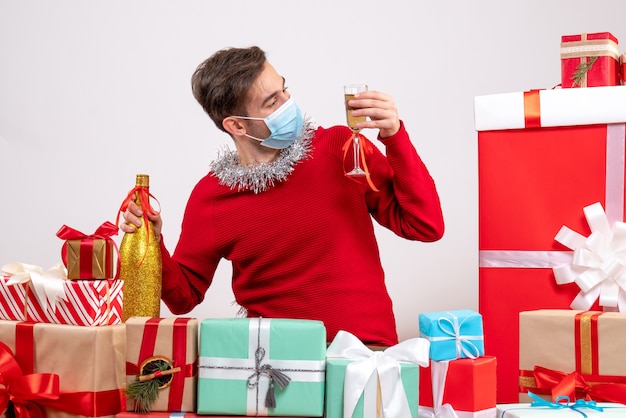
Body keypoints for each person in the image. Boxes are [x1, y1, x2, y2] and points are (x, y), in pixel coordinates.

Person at [121, 45, 444, 346]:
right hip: (276, 367)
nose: (289, 101)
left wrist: (394, 136)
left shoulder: (341, 148)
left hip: (366, 352)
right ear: (236, 125)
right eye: (272, 101)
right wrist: (153, 240)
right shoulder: (211, 197)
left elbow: (425, 226)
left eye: (284, 88)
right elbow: (183, 297)